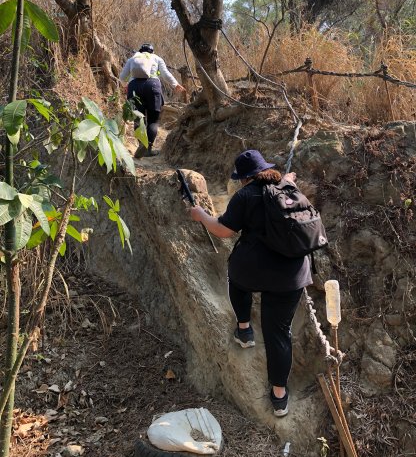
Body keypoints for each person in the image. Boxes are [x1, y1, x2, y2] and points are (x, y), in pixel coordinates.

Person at [190, 150, 312, 417]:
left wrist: (200, 215)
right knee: (278, 333)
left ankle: (244, 330)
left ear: (244, 178)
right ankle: (279, 397)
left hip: (255, 270)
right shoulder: (287, 186)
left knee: (236, 278)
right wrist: (288, 178)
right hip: (293, 273)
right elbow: (288, 182)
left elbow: (223, 230)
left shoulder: (245, 196)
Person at [119, 44, 186, 158]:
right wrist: (175, 85)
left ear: (140, 51)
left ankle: (141, 145)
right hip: (152, 85)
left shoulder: (132, 59)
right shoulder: (157, 58)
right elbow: (165, 74)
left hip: (134, 86)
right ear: (152, 51)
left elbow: (122, 76)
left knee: (138, 119)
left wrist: (126, 85)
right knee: (153, 121)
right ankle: (148, 148)